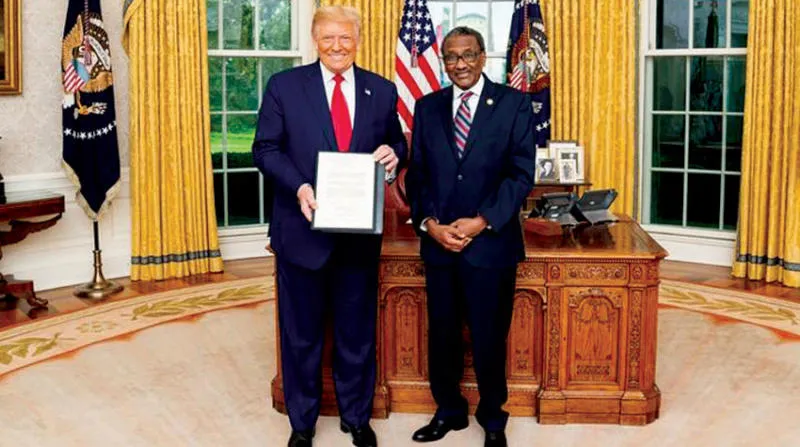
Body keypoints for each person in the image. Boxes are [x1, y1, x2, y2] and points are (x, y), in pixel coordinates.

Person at [252, 6, 407, 447]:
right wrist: (299, 186)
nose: (337, 46)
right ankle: (302, 424)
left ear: (357, 40)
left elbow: (396, 142)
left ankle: (356, 418)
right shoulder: (284, 86)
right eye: (328, 38)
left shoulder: (381, 90)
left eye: (345, 37)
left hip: (358, 238)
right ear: (315, 40)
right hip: (301, 231)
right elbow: (264, 149)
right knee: (300, 335)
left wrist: (395, 155)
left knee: (355, 334)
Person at [405, 26, 536, 447]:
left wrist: (483, 221)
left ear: (483, 57)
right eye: (451, 57)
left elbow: (521, 174)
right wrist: (430, 224)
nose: (460, 64)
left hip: (491, 245)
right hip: (440, 245)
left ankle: (493, 418)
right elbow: (417, 175)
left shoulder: (514, 104)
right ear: (443, 62)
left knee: (489, 337)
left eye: (468, 55)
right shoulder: (427, 107)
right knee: (442, 335)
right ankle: (449, 410)